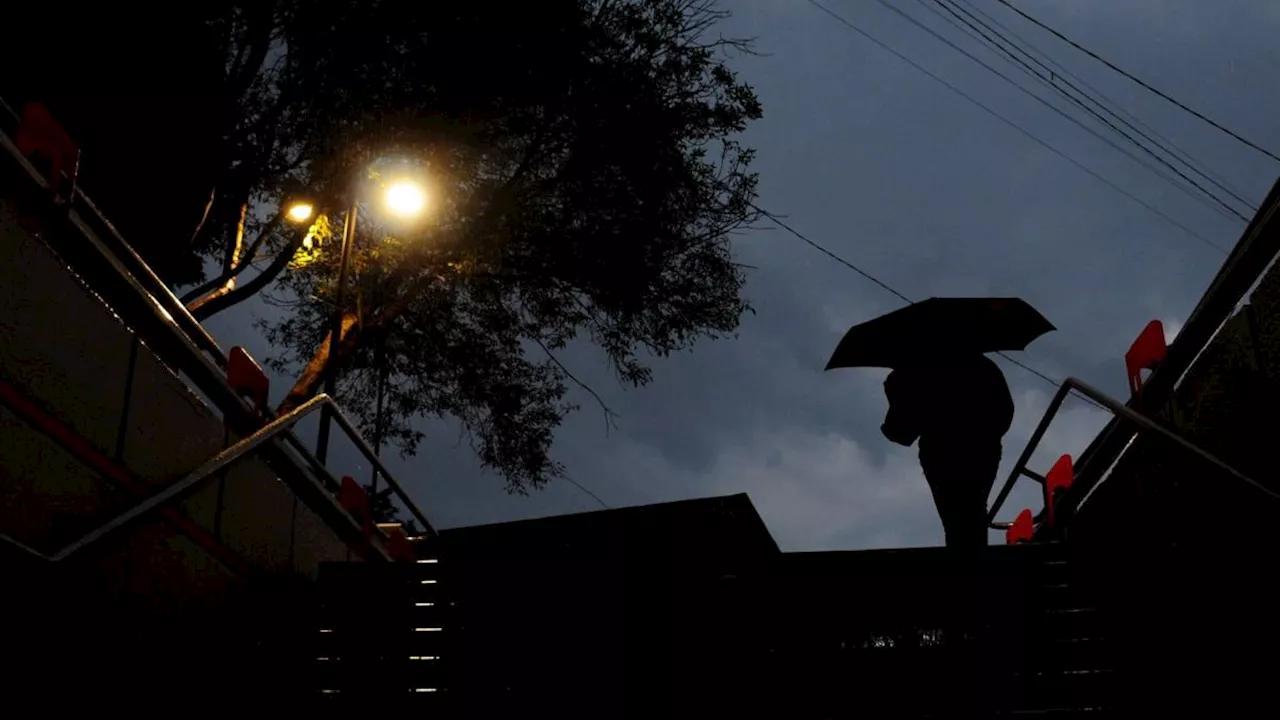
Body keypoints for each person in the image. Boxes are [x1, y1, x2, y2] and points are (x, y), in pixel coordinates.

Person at [880, 353, 1014, 548]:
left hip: (941, 456)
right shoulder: (985, 366)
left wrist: (894, 394)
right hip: (983, 450)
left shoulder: (914, 374)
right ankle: (973, 564)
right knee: (973, 510)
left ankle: (965, 567)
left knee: (956, 518)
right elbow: (1005, 414)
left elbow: (900, 433)